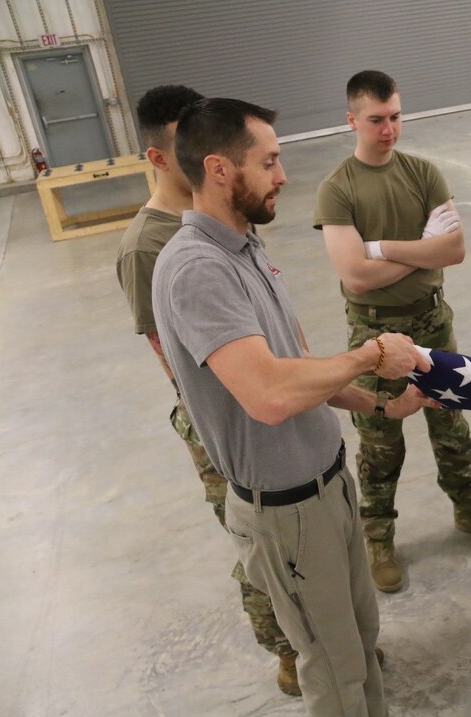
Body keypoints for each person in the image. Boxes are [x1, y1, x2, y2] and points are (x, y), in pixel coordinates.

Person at [153, 97, 434, 717]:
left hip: (328, 486)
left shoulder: (245, 248)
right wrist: (370, 354)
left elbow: (298, 368)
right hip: (285, 514)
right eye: (270, 161)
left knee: (359, 646)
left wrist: (378, 408)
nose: (283, 175)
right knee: (333, 670)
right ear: (221, 169)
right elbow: (272, 395)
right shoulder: (196, 269)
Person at [114, 85, 301, 696]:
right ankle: (286, 649)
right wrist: (249, 393)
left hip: (270, 383)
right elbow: (170, 354)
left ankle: (320, 630)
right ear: (161, 156)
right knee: (255, 539)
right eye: (182, 143)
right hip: (219, 414)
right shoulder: (150, 245)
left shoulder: (230, 215)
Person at [314, 70, 471, 594]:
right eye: (377, 120)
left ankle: (468, 509)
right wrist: (415, 249)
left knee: (451, 425)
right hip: (374, 334)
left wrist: (379, 247)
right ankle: (378, 536)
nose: (389, 129)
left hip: (432, 320)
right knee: (381, 440)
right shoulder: (338, 189)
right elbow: (354, 276)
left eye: (396, 117)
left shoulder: (424, 174)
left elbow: (452, 250)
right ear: (352, 119)